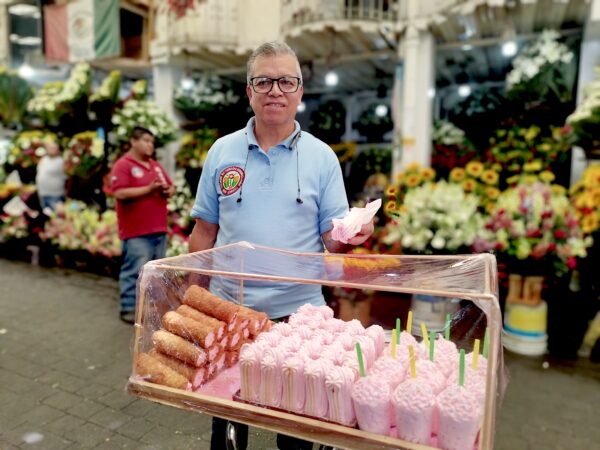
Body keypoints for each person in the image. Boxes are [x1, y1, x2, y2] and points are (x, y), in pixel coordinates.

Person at [188, 41, 373, 450]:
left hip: (300, 319)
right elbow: (204, 232)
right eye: (264, 81)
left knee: (297, 431)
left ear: (301, 91)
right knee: (229, 426)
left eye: (287, 81)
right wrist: (190, 299)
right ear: (249, 91)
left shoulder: (322, 157)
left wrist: (352, 234)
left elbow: (333, 238)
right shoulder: (222, 151)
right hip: (230, 315)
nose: (276, 90)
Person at [110, 126, 175, 324]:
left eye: (152, 142)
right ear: (133, 142)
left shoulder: (154, 165)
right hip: (137, 232)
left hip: (158, 230)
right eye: (146, 140)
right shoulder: (123, 165)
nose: (150, 145)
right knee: (134, 271)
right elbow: (119, 193)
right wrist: (148, 189)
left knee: (156, 275)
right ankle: (128, 307)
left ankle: (152, 309)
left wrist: (167, 190)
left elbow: (171, 186)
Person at [36, 141, 66, 211]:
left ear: (58, 149)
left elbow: (66, 178)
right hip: (43, 194)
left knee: (57, 217)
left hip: (55, 195)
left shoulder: (61, 161)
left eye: (53, 148)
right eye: (49, 148)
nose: (51, 150)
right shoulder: (44, 159)